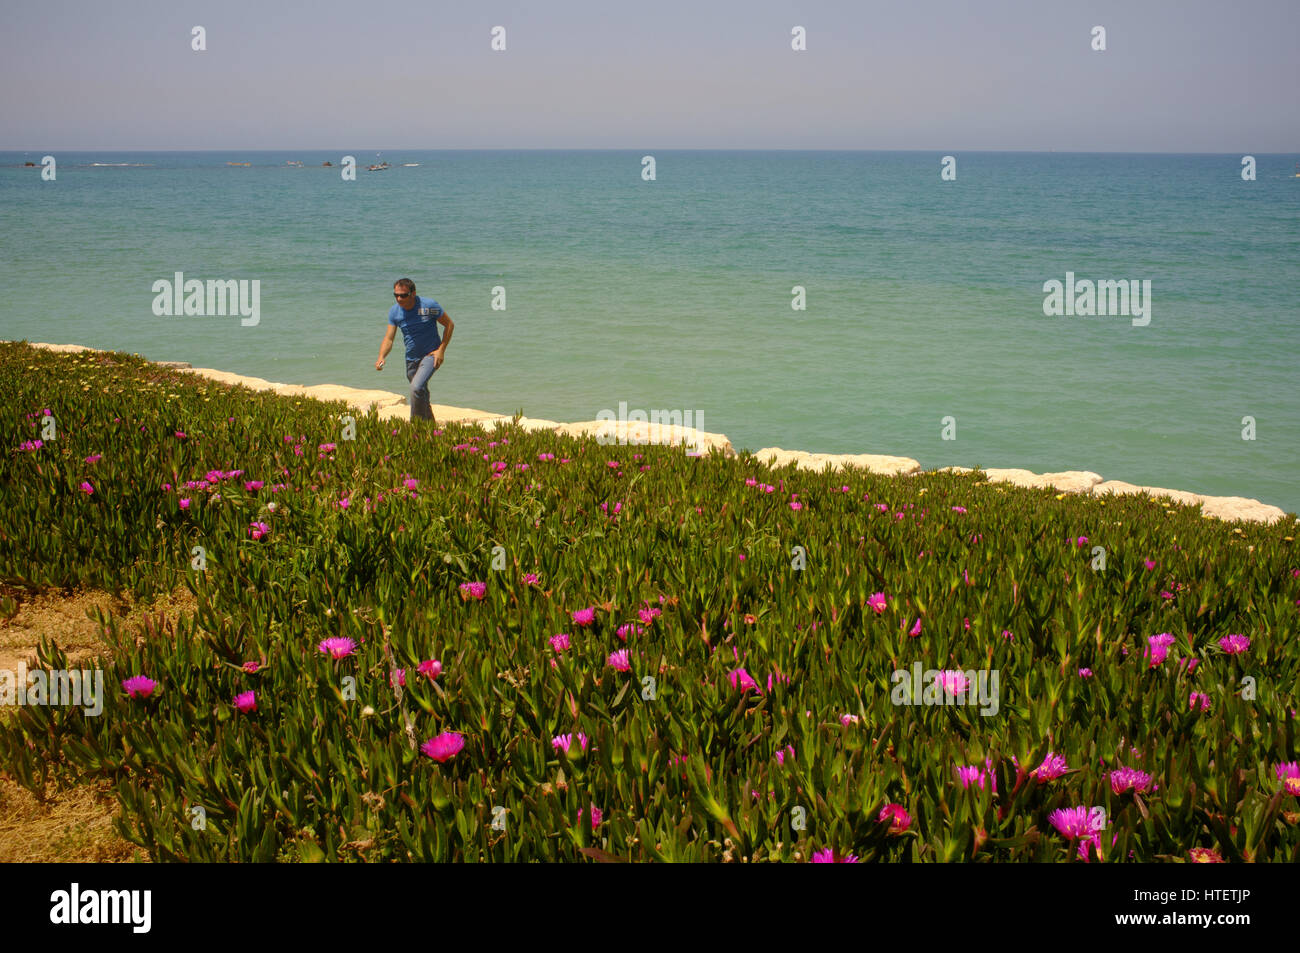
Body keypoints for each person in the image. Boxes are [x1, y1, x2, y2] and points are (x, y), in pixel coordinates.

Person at [376, 278, 454, 422]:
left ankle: (416, 429)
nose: (399, 299)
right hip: (411, 359)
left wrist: (441, 350)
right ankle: (431, 430)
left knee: (416, 387)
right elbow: (389, 338)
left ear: (413, 294)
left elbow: (449, 325)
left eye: (403, 295)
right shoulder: (394, 312)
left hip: (431, 355)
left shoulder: (429, 306)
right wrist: (381, 356)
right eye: (396, 295)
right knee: (421, 394)